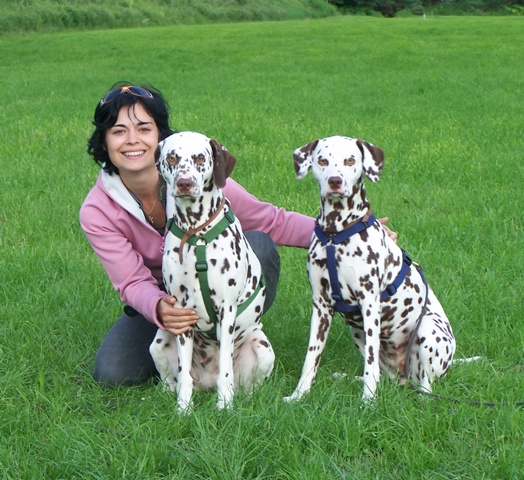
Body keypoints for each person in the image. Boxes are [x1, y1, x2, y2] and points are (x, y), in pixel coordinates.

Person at [80, 82, 397, 388]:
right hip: (167, 297)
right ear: (105, 141)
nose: (133, 140)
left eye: (143, 128)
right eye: (119, 131)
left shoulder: (208, 179)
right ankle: (187, 355)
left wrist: (349, 233)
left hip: (223, 285)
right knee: (113, 371)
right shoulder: (98, 209)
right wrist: (159, 307)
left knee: (258, 243)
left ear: (160, 136)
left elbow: (271, 221)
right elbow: (132, 282)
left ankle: (240, 338)